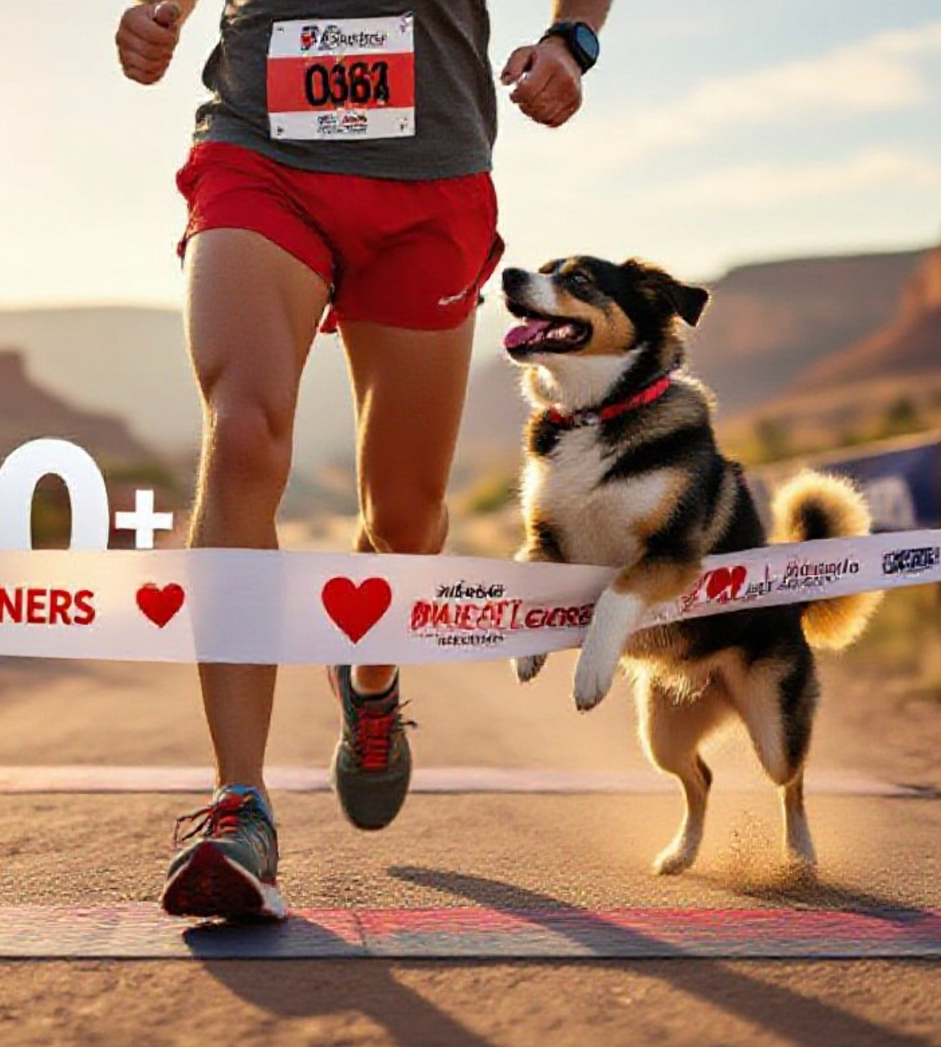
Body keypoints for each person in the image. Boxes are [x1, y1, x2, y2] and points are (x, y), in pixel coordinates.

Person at [116, 0, 611, 921]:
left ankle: (369, 677)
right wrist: (163, 12)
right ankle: (240, 805)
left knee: (408, 519)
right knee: (244, 437)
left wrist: (572, 41)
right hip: (260, 146)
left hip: (431, 172)